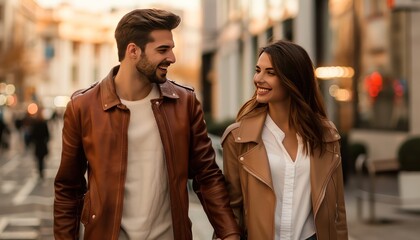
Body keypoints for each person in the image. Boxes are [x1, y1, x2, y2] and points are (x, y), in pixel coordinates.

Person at [54, 8, 240, 240]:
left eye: (171, 48)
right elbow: (68, 189)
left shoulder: (185, 103)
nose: (172, 58)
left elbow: (207, 176)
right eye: (163, 50)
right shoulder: (83, 107)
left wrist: (230, 233)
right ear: (133, 51)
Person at [221, 40, 348, 240]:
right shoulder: (238, 138)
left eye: (270, 73)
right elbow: (231, 211)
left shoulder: (327, 136)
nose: (258, 79)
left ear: (293, 79)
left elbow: (337, 212)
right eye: (258, 70)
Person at [30, 109, 50, 179]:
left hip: (38, 144)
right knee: (42, 158)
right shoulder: (44, 123)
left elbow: (32, 134)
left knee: (39, 158)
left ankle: (40, 170)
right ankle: (41, 170)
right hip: (42, 143)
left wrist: (33, 141)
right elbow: (47, 134)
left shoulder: (35, 124)